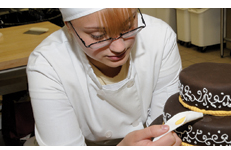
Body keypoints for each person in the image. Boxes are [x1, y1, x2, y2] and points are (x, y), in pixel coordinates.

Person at [26, 8, 182, 146]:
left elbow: (163, 124)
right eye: (98, 36)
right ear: (69, 27)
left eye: (128, 27)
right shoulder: (47, 64)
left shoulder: (159, 38)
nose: (119, 47)